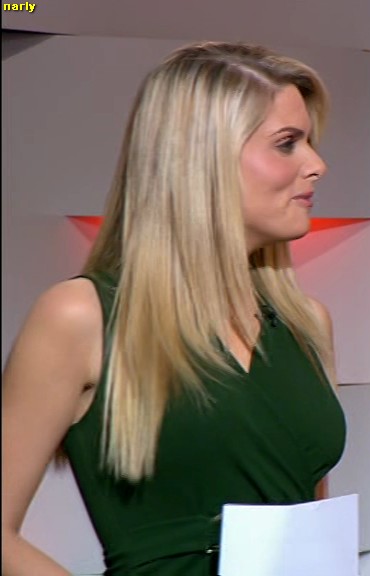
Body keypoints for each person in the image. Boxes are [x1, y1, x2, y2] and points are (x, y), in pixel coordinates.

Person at [1, 41, 347, 575]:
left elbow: (308, 523)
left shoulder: (307, 324)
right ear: (203, 159)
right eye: (286, 144)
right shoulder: (81, 318)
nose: (317, 165)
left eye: (309, 142)